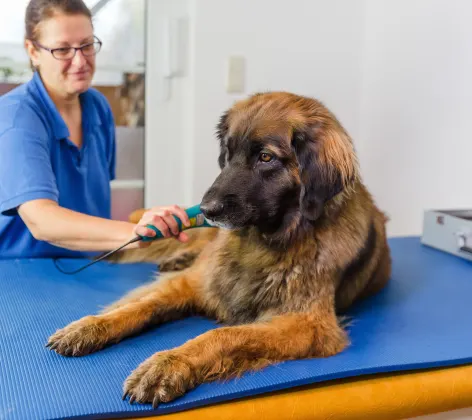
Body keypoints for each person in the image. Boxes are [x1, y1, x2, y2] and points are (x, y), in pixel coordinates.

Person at [0, 0, 190, 259]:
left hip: (88, 265)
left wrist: (145, 227)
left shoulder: (98, 107)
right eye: (63, 50)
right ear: (32, 51)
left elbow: (92, 206)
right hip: (21, 273)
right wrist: (136, 231)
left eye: (87, 45)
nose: (80, 62)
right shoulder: (16, 118)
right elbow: (42, 221)